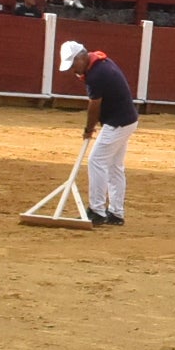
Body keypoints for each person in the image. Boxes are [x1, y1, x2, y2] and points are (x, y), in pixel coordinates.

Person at [59, 38, 140, 226]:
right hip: (127, 120)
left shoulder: (96, 75)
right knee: (114, 166)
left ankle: (97, 211)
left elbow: (94, 106)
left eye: (73, 64)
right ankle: (116, 213)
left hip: (117, 123)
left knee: (97, 161)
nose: (73, 70)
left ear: (81, 57)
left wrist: (89, 129)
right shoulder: (100, 63)